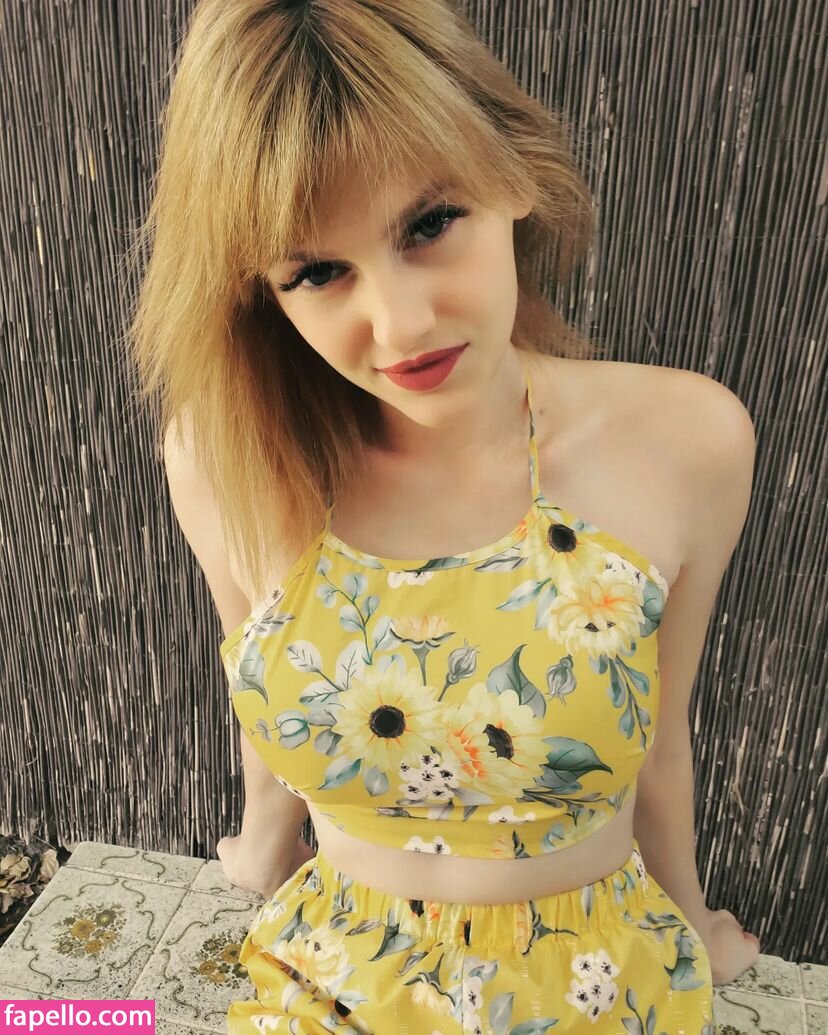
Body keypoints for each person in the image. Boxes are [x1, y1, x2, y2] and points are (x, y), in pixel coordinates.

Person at [127, 0, 761, 1030]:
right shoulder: (225, 455)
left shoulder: (686, 442)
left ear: (513, 174)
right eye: (317, 271)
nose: (402, 323)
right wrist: (261, 846)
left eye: (428, 225)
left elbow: (659, 739)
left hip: (590, 986)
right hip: (335, 983)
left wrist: (690, 920)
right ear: (262, 294)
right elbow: (260, 674)